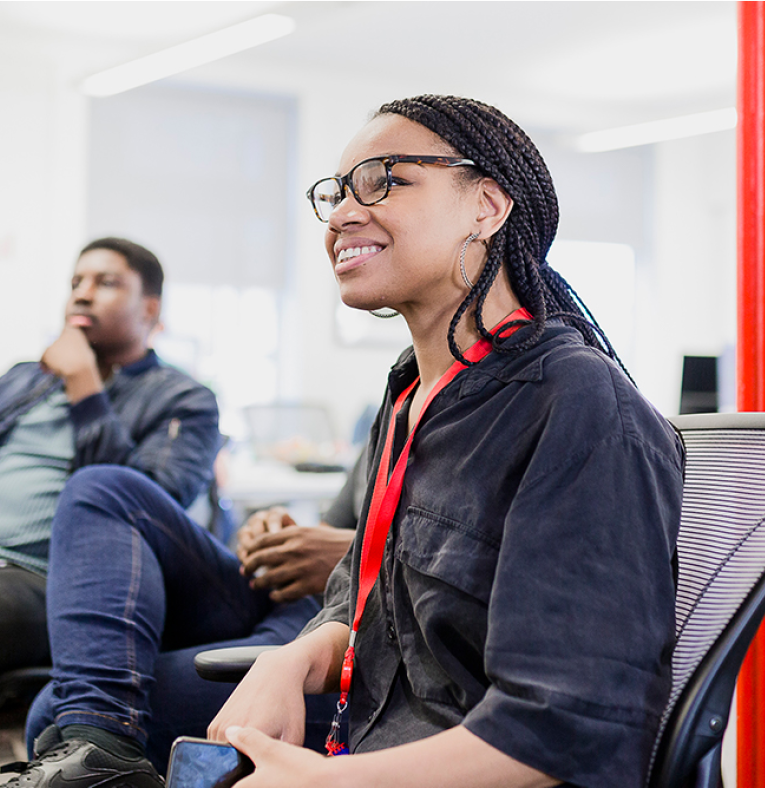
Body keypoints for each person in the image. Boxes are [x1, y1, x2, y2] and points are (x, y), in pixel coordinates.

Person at [204, 95, 685, 788]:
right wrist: (294, 659)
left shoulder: (578, 407)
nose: (342, 213)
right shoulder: (411, 391)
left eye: (384, 180)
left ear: (486, 208)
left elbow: (565, 728)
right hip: (367, 728)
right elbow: (373, 604)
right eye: (336, 193)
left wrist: (331, 784)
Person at [10, 452, 361, 784]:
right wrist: (284, 539)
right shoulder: (396, 405)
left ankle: (100, 743)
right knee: (103, 489)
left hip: (355, 642)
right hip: (303, 602)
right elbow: (333, 534)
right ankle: (100, 744)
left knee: (60, 714)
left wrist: (352, 554)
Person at [0, 237, 220, 678]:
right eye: (76, 281)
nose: (82, 293)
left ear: (149, 309)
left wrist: (85, 385)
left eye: (106, 282)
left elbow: (144, 506)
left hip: (52, 581)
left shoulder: (184, 399)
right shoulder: (26, 377)